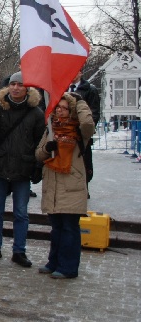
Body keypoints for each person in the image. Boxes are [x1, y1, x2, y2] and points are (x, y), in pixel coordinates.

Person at [0, 72, 45, 268]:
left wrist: (38, 166)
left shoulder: (35, 113)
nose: (15, 88)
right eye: (13, 84)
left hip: (22, 169)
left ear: (27, 89)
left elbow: (40, 141)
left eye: (20, 85)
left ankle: (19, 250)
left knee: (21, 213)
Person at [35, 94, 95, 279]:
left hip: (71, 184)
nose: (59, 110)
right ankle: (54, 262)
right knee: (57, 228)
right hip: (53, 184)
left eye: (64, 107)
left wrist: (81, 102)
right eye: (57, 107)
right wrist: (47, 148)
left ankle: (68, 267)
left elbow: (88, 124)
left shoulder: (78, 131)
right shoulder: (51, 129)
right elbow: (38, 155)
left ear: (72, 110)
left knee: (69, 227)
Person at [70, 69, 100, 188]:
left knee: (83, 162)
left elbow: (95, 112)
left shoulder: (90, 90)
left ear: (80, 73)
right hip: (64, 132)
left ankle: (84, 187)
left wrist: (86, 129)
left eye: (75, 71)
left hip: (81, 134)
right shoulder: (61, 88)